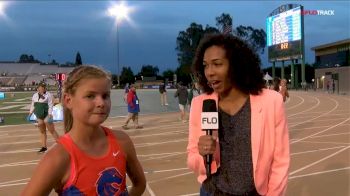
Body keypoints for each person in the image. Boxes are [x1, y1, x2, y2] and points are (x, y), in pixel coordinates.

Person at [187, 34, 290, 196]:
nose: (209, 72)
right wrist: (202, 153)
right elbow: (192, 160)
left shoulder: (271, 102)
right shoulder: (200, 104)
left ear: (236, 66)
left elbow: (280, 161)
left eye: (217, 64)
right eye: (205, 65)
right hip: (212, 192)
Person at [22, 66, 146, 195]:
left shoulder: (122, 142)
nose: (101, 103)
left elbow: (140, 184)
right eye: (90, 96)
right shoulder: (58, 158)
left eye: (105, 96)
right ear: (68, 100)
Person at [28, 82, 59, 153]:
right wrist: (30, 114)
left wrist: (50, 114)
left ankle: (62, 144)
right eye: (39, 88)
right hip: (39, 115)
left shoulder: (49, 95)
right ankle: (44, 147)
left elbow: (51, 105)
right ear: (37, 88)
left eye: (42, 88)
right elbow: (33, 105)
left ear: (45, 88)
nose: (40, 89)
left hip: (47, 114)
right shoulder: (34, 95)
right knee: (42, 131)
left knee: (51, 130)